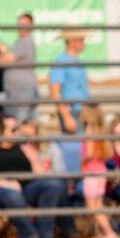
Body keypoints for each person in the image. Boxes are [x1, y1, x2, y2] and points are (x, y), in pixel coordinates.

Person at [48, 29, 91, 173]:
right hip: (71, 111)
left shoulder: (76, 60)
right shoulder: (61, 61)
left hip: (82, 110)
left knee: (80, 148)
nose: (83, 43)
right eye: (81, 40)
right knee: (73, 150)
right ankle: (73, 180)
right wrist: (66, 116)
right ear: (72, 42)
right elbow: (55, 91)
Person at [79, 105, 117, 238]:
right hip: (101, 171)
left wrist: (82, 163)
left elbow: (88, 153)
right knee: (98, 204)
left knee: (93, 207)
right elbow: (109, 154)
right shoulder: (102, 131)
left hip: (91, 172)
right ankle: (102, 235)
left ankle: (110, 233)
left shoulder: (89, 131)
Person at [3, 13, 38, 122]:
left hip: (22, 90)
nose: (21, 27)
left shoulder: (26, 41)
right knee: (25, 123)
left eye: (24, 24)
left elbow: (7, 59)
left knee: (21, 124)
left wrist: (1, 48)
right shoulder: (20, 41)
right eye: (19, 24)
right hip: (19, 90)